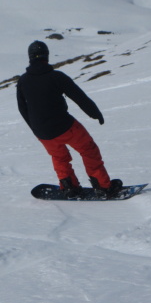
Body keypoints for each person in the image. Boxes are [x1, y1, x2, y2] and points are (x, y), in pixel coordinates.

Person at [17, 40, 123, 199]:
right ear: (46, 56)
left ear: (30, 57)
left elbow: (22, 108)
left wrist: (35, 129)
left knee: (59, 157)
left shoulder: (23, 81)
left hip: (43, 132)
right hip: (65, 126)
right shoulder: (56, 76)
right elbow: (78, 97)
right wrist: (95, 113)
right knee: (88, 150)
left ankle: (69, 187)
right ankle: (103, 187)